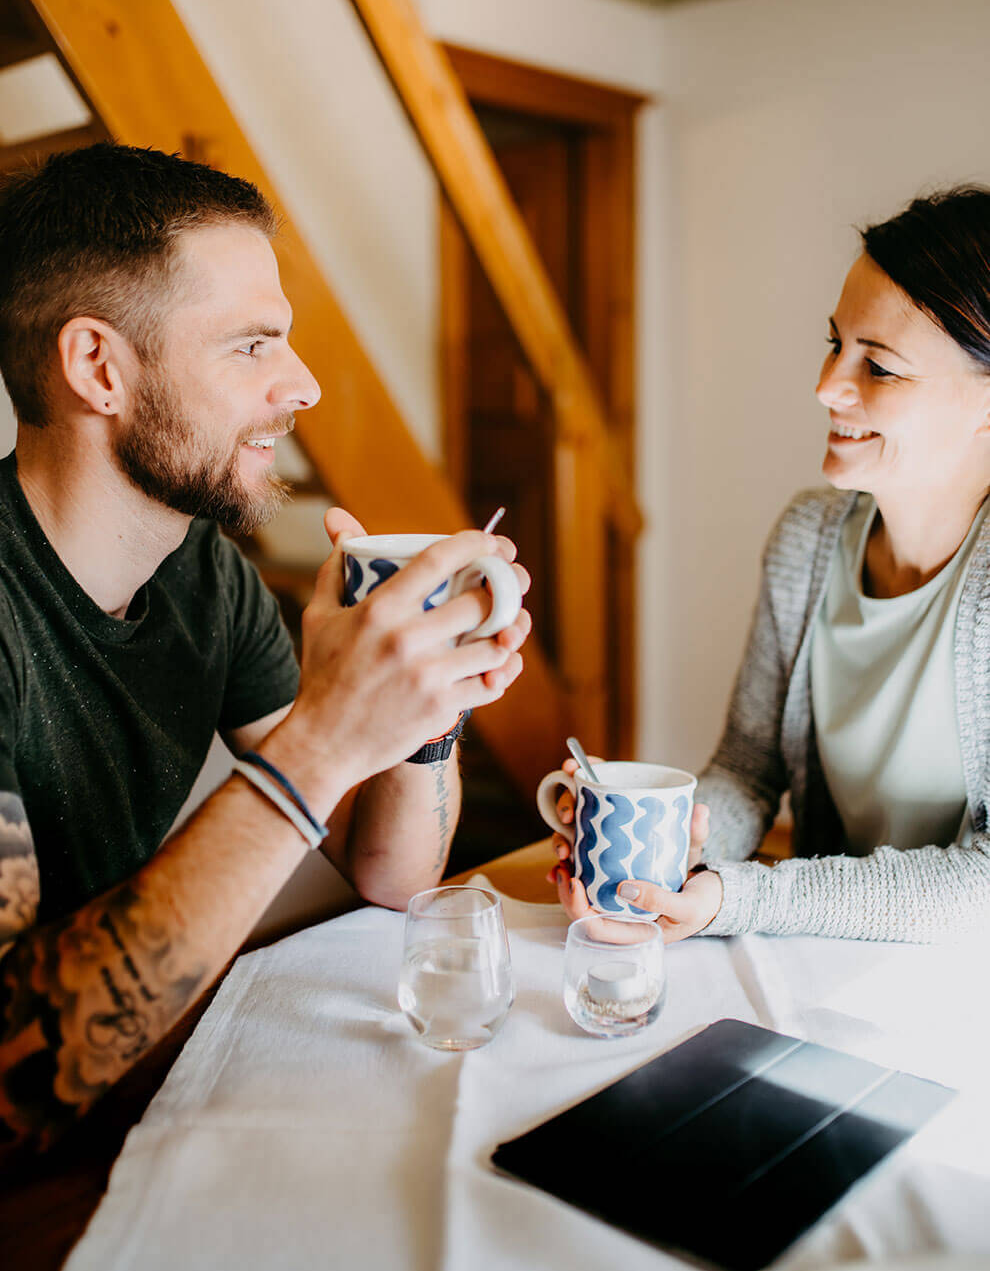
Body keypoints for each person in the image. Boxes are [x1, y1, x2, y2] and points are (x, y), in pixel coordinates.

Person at [0, 144, 531, 1157]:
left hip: (131, 1103)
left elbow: (387, 875)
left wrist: (422, 705)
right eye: (252, 346)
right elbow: (13, 1073)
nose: (304, 385)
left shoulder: (209, 575)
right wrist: (325, 737)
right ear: (98, 367)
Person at [552, 185, 990, 945]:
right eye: (834, 343)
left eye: (878, 367)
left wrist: (739, 899)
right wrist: (675, 853)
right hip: (821, 972)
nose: (827, 386)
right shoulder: (808, 538)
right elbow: (749, 769)